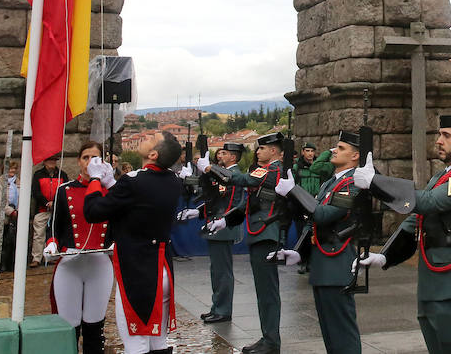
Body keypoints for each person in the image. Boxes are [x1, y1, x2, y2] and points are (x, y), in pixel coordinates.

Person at [354, 111, 451, 354]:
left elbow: (428, 202)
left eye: (446, 135)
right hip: (434, 284)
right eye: (439, 134)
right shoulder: (442, 176)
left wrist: (376, 183)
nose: (438, 140)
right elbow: (415, 221)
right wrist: (386, 255)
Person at [84, 131, 183, 354]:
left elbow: (93, 212)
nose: (146, 136)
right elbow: (136, 204)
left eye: (151, 137)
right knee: (158, 341)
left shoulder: (133, 182)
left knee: (136, 343)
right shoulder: (172, 181)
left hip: (138, 271)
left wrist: (95, 179)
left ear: (153, 154)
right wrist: (112, 183)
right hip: (163, 268)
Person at [198, 131, 294, 354]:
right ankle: (267, 337)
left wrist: (210, 168)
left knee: (267, 291)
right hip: (259, 232)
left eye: (261, 148)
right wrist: (227, 220)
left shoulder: (274, 169)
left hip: (266, 233)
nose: (257, 151)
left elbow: (242, 180)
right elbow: (248, 203)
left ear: (273, 151)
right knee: (263, 291)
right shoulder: (267, 169)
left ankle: (271, 341)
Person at [275, 132, 365, 354]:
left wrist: (294, 190)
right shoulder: (331, 182)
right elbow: (311, 223)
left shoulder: (353, 182)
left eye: (341, 148)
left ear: (355, 156)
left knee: (342, 332)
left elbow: (324, 214)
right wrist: (299, 252)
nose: (334, 150)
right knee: (329, 331)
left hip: (337, 261)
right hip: (322, 261)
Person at [45, 142, 113, 354]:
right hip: (70, 262)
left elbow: (122, 222)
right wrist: (52, 244)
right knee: (69, 324)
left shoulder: (110, 191)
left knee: (94, 325)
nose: (90, 162)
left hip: (100, 263)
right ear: (78, 161)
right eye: (86, 157)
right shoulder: (64, 191)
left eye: (95, 158)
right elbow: (54, 225)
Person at [187, 141, 247, 325]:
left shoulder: (234, 175)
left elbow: (232, 203)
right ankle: (217, 307)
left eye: (224, 153)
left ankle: (223, 310)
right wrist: (199, 211)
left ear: (233, 157)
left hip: (224, 226)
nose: (220, 156)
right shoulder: (224, 174)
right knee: (217, 271)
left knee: (222, 272)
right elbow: (214, 198)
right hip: (216, 224)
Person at [32, 155, 67, 267]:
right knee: (39, 234)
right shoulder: (38, 175)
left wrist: (56, 202)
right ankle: (36, 258)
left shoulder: (63, 174)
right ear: (45, 162)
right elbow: (36, 192)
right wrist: (46, 202)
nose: (52, 162)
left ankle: (53, 255)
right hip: (42, 209)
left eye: (54, 160)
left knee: (56, 232)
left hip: (58, 209)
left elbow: (66, 190)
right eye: (50, 160)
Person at [0, 160, 22, 267]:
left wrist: (18, 211)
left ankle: (12, 264)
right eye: (9, 168)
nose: (12, 171)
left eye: (14, 168)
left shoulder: (20, 183)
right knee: (1, 243)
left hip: (16, 216)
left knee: (13, 242)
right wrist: (10, 211)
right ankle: (0, 264)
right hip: (1, 217)